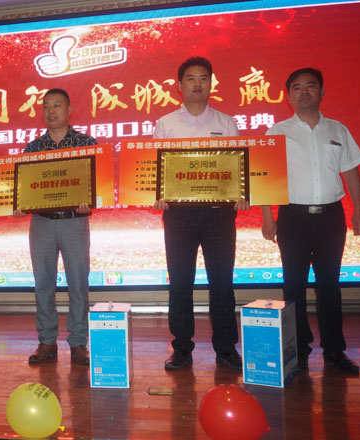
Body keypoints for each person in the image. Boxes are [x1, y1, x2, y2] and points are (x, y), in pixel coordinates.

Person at [261, 68, 360, 373]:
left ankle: (334, 350)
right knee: (293, 285)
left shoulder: (338, 130)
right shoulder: (277, 132)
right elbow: (265, 177)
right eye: (297, 87)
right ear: (288, 96)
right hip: (293, 218)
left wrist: (359, 210)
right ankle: (298, 348)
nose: (304, 92)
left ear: (322, 92)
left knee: (329, 285)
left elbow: (351, 171)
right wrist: (267, 217)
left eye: (310, 86)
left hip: (331, 218)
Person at [153, 57, 249, 370]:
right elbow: (156, 168)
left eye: (203, 78)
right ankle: (182, 348)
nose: (197, 84)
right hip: (179, 215)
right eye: (191, 78)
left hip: (219, 214)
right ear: (179, 85)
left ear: (211, 83)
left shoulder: (226, 123)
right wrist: (158, 194)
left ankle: (226, 349)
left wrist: (242, 193)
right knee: (180, 282)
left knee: (221, 282)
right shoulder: (166, 124)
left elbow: (238, 167)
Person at [13, 88, 96, 366]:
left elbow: (96, 183)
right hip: (42, 224)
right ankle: (47, 341)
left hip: (74, 222)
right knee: (43, 284)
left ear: (69, 110)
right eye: (46, 106)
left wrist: (88, 200)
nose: (51, 111)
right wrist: (20, 204)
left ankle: (78, 342)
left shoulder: (86, 143)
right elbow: (24, 189)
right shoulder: (33, 148)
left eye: (57, 105)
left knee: (78, 284)